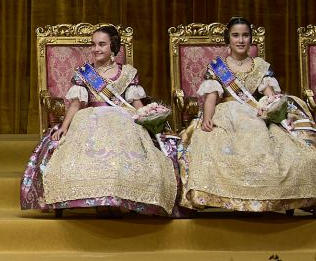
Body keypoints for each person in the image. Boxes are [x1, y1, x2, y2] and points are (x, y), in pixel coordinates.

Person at [21, 24, 180, 216]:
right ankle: (93, 196)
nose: (96, 49)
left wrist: (149, 119)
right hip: (90, 118)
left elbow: (136, 103)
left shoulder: (128, 73)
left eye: (102, 44)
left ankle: (121, 196)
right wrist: (64, 127)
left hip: (122, 118)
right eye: (94, 44)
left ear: (112, 46)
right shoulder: (84, 73)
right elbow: (76, 104)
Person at [178, 16, 316, 212]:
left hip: (255, 113)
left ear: (251, 39)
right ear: (228, 39)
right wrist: (207, 118)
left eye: (245, 35)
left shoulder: (260, 66)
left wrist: (273, 108)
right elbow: (211, 96)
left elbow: (271, 95)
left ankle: (266, 195)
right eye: (236, 36)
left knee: (271, 145)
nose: (241, 40)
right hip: (226, 112)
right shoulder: (218, 67)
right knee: (212, 142)